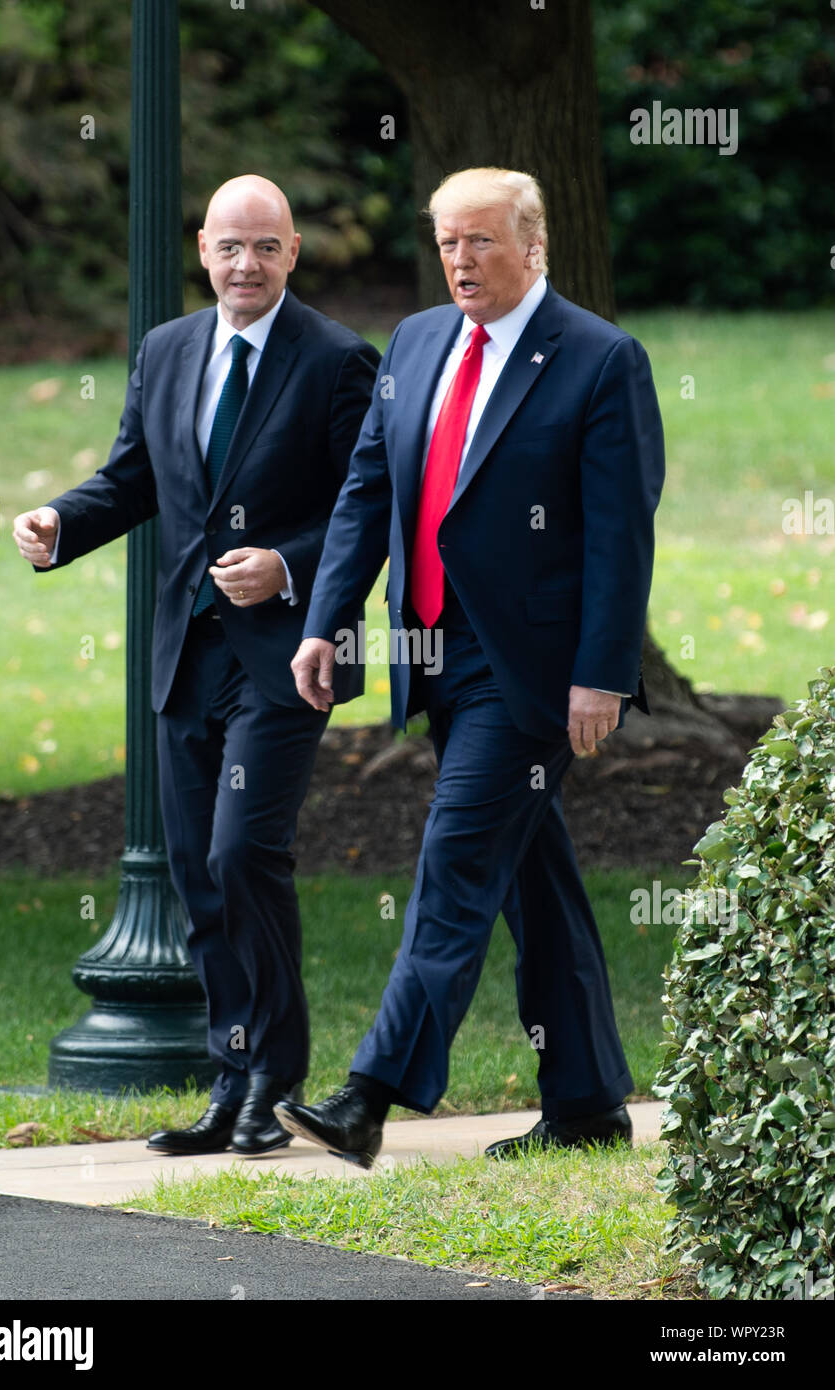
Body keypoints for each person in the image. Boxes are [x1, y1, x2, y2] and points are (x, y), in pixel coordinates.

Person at [277, 166, 665, 1169]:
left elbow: (619, 537)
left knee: (453, 864)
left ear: (533, 247)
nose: (459, 259)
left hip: (529, 670)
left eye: (480, 241)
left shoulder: (597, 359)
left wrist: (602, 673)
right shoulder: (412, 343)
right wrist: (326, 622)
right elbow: (368, 490)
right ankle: (583, 1102)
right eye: (447, 241)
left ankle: (367, 1095)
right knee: (534, 879)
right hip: (433, 657)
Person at [12, 176, 379, 1157]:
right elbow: (133, 476)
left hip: (286, 657)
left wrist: (287, 565)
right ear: (203, 251)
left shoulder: (339, 360)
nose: (245, 264)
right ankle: (230, 1080)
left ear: (292, 252)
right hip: (185, 653)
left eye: (265, 247)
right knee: (194, 872)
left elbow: (364, 504)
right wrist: (61, 523)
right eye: (229, 247)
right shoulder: (167, 351)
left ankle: (275, 1075)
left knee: (239, 854)